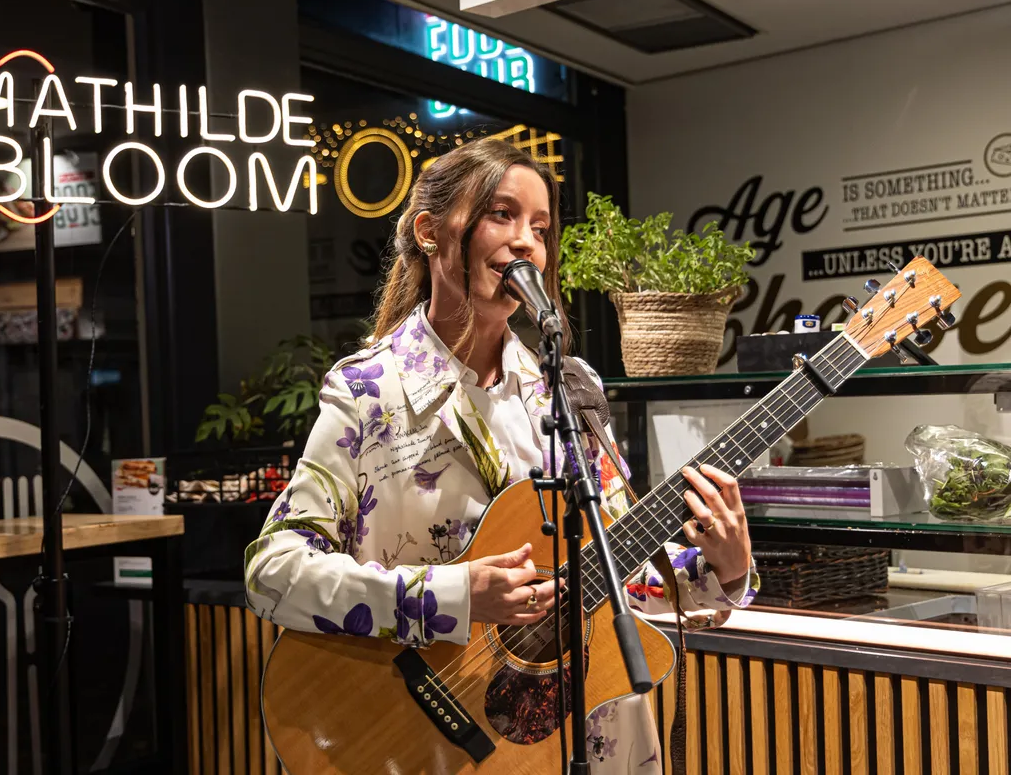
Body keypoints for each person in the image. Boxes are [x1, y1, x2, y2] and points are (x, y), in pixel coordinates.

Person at [245, 137, 759, 772]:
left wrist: (723, 569)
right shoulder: (368, 391)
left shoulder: (570, 389)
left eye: (540, 229)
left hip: (584, 734)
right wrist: (455, 595)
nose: (526, 243)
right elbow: (273, 573)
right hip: (426, 742)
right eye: (502, 215)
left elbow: (612, 573)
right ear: (429, 232)